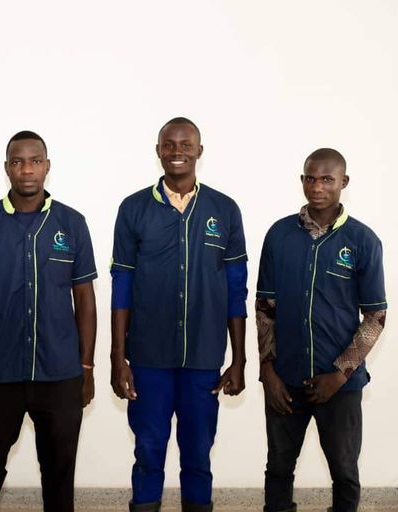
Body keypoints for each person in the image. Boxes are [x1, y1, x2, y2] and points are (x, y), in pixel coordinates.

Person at [0, 130, 97, 512]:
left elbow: (85, 299)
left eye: (35, 161)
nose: (27, 170)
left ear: (47, 167)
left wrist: (86, 367)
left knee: (59, 469)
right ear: (7, 168)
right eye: (18, 162)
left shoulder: (72, 223)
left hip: (59, 372)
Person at [110, 118, 248, 512]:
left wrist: (238, 359)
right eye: (169, 145)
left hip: (204, 356)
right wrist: (118, 356)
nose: (177, 152)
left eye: (186, 144)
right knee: (148, 449)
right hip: (148, 356)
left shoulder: (224, 209)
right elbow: (122, 285)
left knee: (198, 453)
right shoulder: (134, 208)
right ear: (158, 151)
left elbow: (236, 289)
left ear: (199, 151)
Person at [256, 148, 387, 512]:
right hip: (285, 379)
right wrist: (268, 371)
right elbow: (265, 308)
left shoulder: (363, 240)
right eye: (310, 179)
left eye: (327, 179)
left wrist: (340, 374)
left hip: (340, 386)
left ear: (343, 182)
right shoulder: (279, 235)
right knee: (278, 468)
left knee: (344, 472)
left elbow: (375, 317)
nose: (317, 187)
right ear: (302, 181)